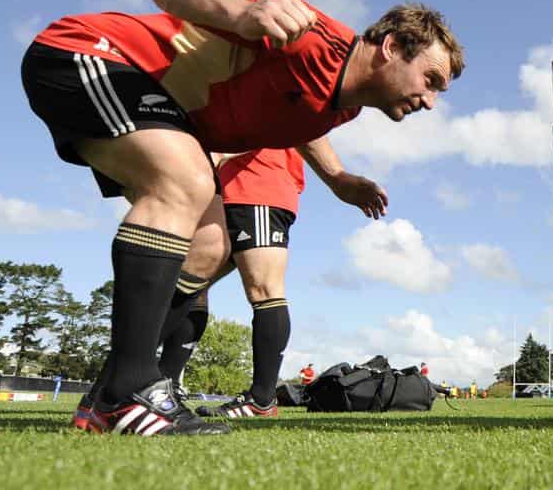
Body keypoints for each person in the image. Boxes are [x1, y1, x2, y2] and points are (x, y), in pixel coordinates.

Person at [22, 0, 464, 435]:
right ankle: (126, 393)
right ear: (393, 47)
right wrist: (239, 14)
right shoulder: (310, 34)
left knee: (209, 247)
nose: (430, 101)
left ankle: (106, 395)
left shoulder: (344, 109)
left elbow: (302, 116)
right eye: (431, 80)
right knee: (181, 182)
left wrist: (336, 177)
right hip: (89, 54)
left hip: (158, 104)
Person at [159, 142, 387, 419]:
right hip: (220, 193)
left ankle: (261, 398)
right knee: (192, 286)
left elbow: (287, 120)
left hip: (257, 186)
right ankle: (163, 387)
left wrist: (338, 177)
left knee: (264, 288)